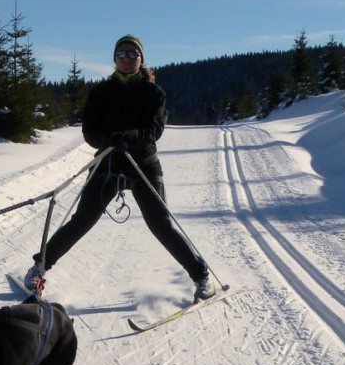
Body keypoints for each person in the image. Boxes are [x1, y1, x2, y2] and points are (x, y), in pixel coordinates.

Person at [24, 34, 215, 302]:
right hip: (107, 163)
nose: (127, 58)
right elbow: (89, 129)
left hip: (143, 164)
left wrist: (128, 136)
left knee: (160, 224)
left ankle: (201, 275)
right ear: (114, 59)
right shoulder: (100, 92)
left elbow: (155, 129)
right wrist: (106, 141)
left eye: (133, 54)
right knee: (82, 220)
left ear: (141, 59)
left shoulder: (153, 92)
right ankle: (39, 268)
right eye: (122, 54)